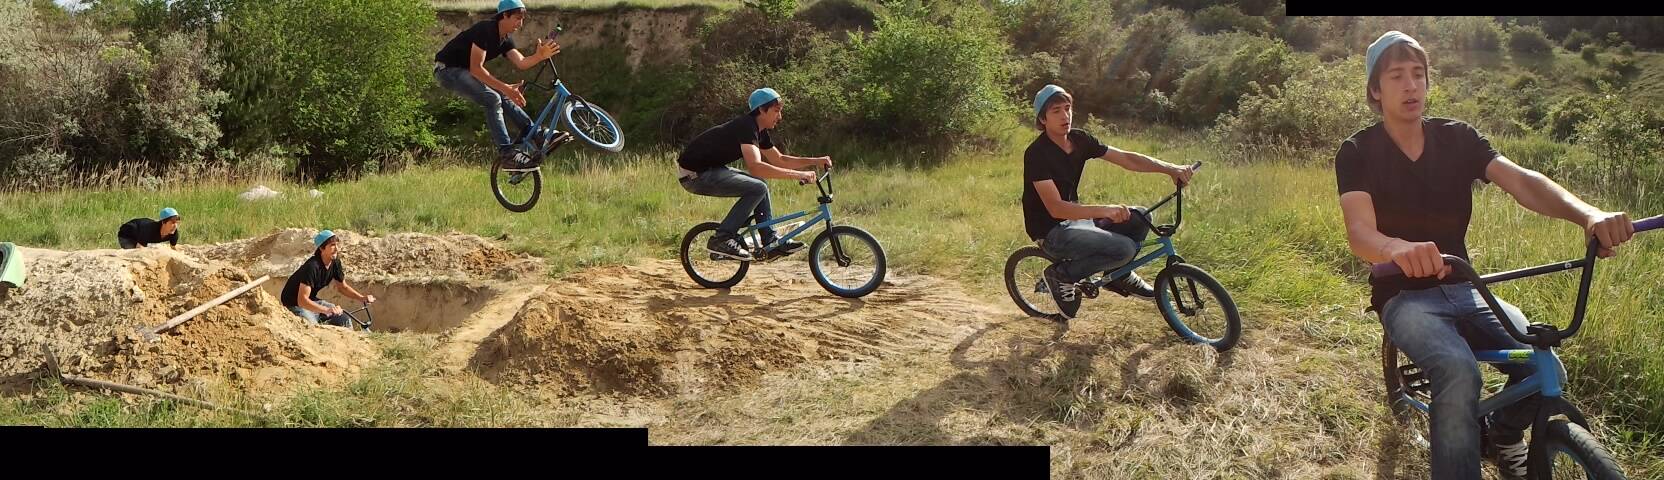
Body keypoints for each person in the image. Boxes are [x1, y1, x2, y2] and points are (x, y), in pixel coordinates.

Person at [1335, 31, 1635, 480]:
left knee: (1545, 367)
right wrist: (1396, 248)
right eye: (1396, 76)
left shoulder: (1458, 138)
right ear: (1375, 90)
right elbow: (1360, 232)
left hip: (1466, 285)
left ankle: (1503, 434)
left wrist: (1587, 214)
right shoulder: (1358, 151)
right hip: (1403, 296)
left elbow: (1523, 181)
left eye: (1418, 74)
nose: (1411, 85)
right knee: (1459, 371)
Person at [1024, 84, 1195, 320]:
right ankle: (1061, 275)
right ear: (1043, 119)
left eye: (1068, 108)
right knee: (1123, 249)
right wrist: (1105, 210)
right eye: (1056, 111)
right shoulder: (1036, 154)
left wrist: (1170, 169)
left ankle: (1118, 275)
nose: (1065, 116)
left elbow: (1126, 158)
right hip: (1051, 231)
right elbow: (1056, 208)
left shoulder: (1079, 139)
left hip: (1076, 221)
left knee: (1141, 217)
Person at [675, 87, 832, 261]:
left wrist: (816, 161)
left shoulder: (759, 131)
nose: (780, 117)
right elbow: (755, 167)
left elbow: (780, 159)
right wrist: (798, 175)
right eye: (776, 111)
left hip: (711, 169)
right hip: (695, 175)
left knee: (759, 185)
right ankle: (722, 238)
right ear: (761, 110)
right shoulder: (746, 126)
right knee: (758, 187)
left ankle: (770, 242)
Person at [434, 0, 564, 168]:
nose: (520, 24)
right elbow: (476, 69)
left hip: (463, 71)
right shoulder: (485, 30)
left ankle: (537, 135)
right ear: (504, 15)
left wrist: (539, 56)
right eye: (517, 18)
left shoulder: (505, 39)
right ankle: (507, 154)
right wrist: (506, 88)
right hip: (447, 70)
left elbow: (522, 63)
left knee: (501, 95)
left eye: (522, 19)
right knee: (493, 98)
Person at [279, 230, 375, 328]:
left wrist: (362, 298)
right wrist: (326, 310)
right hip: (295, 304)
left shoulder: (335, 263)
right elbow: (302, 301)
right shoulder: (312, 267)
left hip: (311, 300)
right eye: (332, 245)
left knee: (344, 319)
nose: (336, 248)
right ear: (321, 248)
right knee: (313, 327)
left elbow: (343, 287)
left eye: (337, 244)